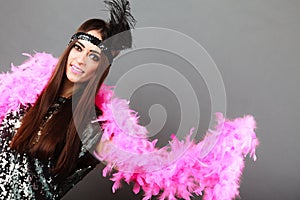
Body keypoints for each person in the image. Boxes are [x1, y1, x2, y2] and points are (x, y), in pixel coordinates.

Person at [0, 0, 135, 199]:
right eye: (79, 48)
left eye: (94, 57)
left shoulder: (90, 125)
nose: (81, 60)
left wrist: (183, 166)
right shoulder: (26, 93)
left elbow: (137, 161)